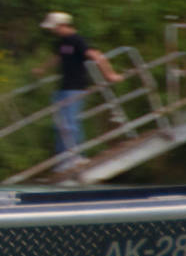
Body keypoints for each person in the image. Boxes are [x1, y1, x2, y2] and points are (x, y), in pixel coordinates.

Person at [35, 10, 123, 168]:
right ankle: (64, 159)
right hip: (63, 87)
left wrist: (110, 74)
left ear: (62, 25)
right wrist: (42, 69)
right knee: (61, 125)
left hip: (75, 86)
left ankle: (74, 158)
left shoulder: (77, 40)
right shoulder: (62, 42)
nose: (52, 31)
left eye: (53, 27)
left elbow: (96, 56)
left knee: (69, 124)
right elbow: (56, 57)